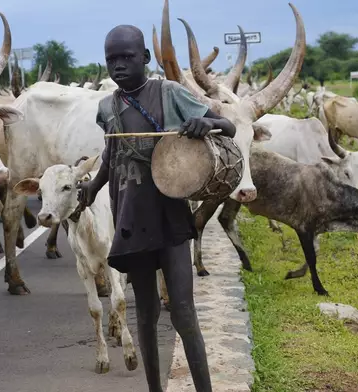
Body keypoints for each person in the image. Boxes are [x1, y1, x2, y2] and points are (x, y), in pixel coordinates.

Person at [77, 24, 236, 392]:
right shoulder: (107, 107)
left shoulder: (169, 94)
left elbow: (227, 126)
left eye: (127, 57)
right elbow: (112, 155)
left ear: (146, 59)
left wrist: (205, 122)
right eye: (111, 59)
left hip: (169, 217)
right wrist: (93, 188)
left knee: (183, 312)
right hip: (131, 219)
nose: (118, 66)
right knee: (144, 316)